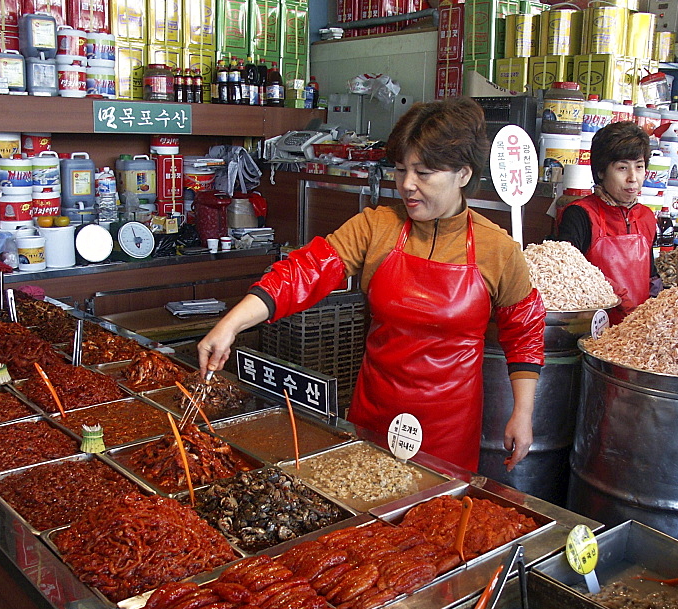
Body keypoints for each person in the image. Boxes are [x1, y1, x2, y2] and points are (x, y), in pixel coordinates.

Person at [197, 97, 545, 472]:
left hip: (449, 424)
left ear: (463, 173)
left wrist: (522, 413)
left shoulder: (498, 250)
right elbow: (306, 271)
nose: (407, 186)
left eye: (424, 173)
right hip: (374, 413)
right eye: (400, 170)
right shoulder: (376, 226)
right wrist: (230, 324)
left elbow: (523, 332)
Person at [556, 121, 657, 321]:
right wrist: (618, 295)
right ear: (601, 172)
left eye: (639, 167)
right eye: (622, 168)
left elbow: (652, 277)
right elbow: (567, 275)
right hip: (591, 326)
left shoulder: (647, 217)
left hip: (637, 329)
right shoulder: (580, 214)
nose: (632, 178)